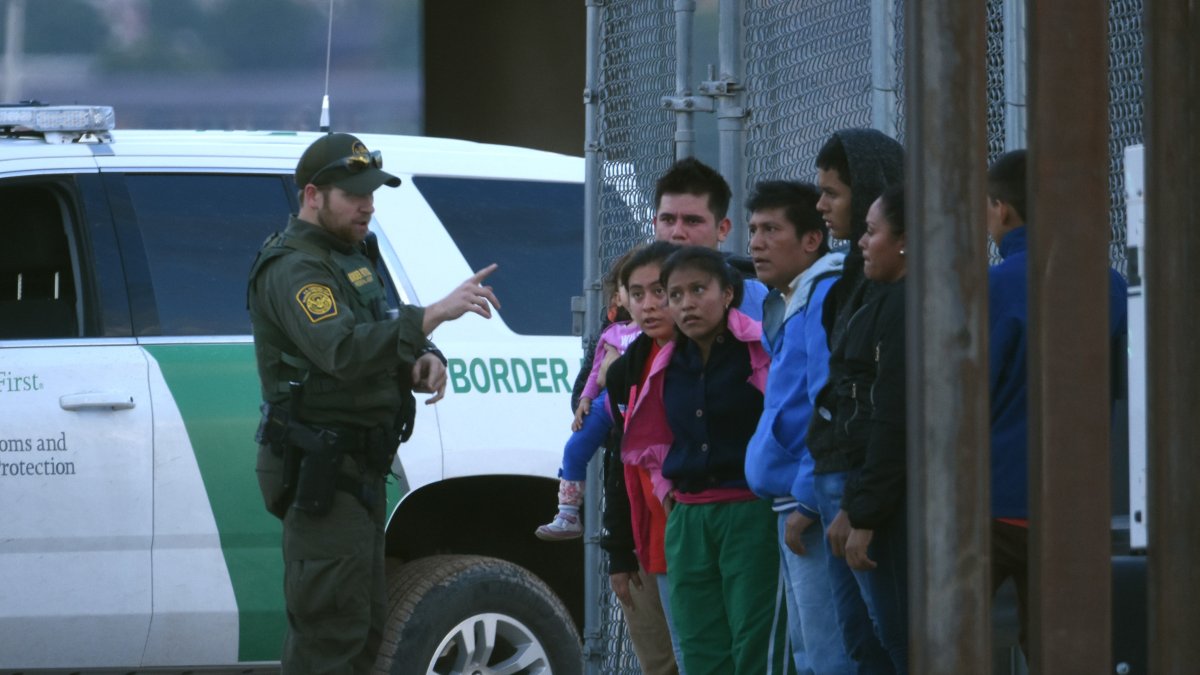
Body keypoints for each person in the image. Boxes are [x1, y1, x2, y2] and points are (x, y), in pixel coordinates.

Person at [247, 132, 500, 673]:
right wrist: (433, 315)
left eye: (371, 193)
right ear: (313, 195)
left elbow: (373, 330)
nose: (368, 205)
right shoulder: (295, 268)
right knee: (330, 634)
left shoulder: (349, 255)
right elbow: (339, 349)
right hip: (322, 471)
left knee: (363, 629)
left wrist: (420, 358)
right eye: (354, 194)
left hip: (357, 469)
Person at [984, 149, 1128, 660]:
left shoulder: (992, 286)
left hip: (995, 497)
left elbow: (972, 392)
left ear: (1001, 208)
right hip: (1074, 498)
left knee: (951, 641)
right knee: (1062, 649)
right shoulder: (1110, 283)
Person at [622, 245, 788, 675]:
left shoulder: (760, 346)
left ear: (728, 294)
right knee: (699, 648)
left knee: (756, 644)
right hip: (688, 519)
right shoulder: (667, 362)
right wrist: (666, 491)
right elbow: (654, 438)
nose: (686, 304)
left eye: (699, 290)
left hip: (751, 513)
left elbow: (789, 418)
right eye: (675, 294)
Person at [743, 181, 854, 675]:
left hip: (812, 502)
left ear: (812, 239)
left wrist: (809, 498)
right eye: (753, 230)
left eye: (771, 230)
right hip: (792, 501)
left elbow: (828, 401)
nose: (756, 243)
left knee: (828, 655)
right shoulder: (791, 297)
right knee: (808, 651)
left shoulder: (824, 293)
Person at [806, 128, 903, 675]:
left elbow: (887, 409)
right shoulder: (851, 277)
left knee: (891, 639)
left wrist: (859, 507)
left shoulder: (897, 296)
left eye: (832, 193)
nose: (821, 206)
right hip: (837, 478)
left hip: (863, 486)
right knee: (857, 643)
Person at [601, 241, 686, 675]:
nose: (649, 305)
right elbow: (619, 460)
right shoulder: (625, 369)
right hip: (644, 540)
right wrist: (619, 551)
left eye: (660, 291)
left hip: (694, 535)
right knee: (660, 662)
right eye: (637, 294)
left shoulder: (702, 355)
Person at [536, 256, 640, 540]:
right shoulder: (611, 333)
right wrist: (585, 399)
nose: (643, 299)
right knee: (574, 448)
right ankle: (568, 513)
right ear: (618, 298)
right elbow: (596, 371)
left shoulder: (654, 331)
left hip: (639, 405)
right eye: (634, 291)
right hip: (607, 402)